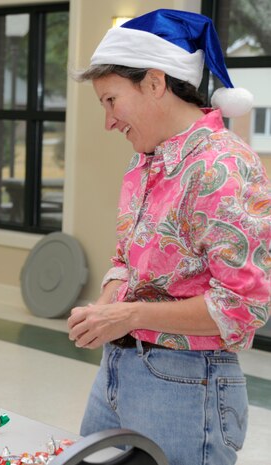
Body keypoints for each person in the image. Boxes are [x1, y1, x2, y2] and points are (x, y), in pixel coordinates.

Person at [69, 9, 270, 465]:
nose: (108, 122)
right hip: (117, 374)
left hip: (187, 387)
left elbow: (243, 309)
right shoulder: (145, 162)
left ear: (155, 83)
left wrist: (127, 315)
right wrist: (104, 309)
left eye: (111, 100)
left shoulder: (224, 167)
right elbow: (125, 262)